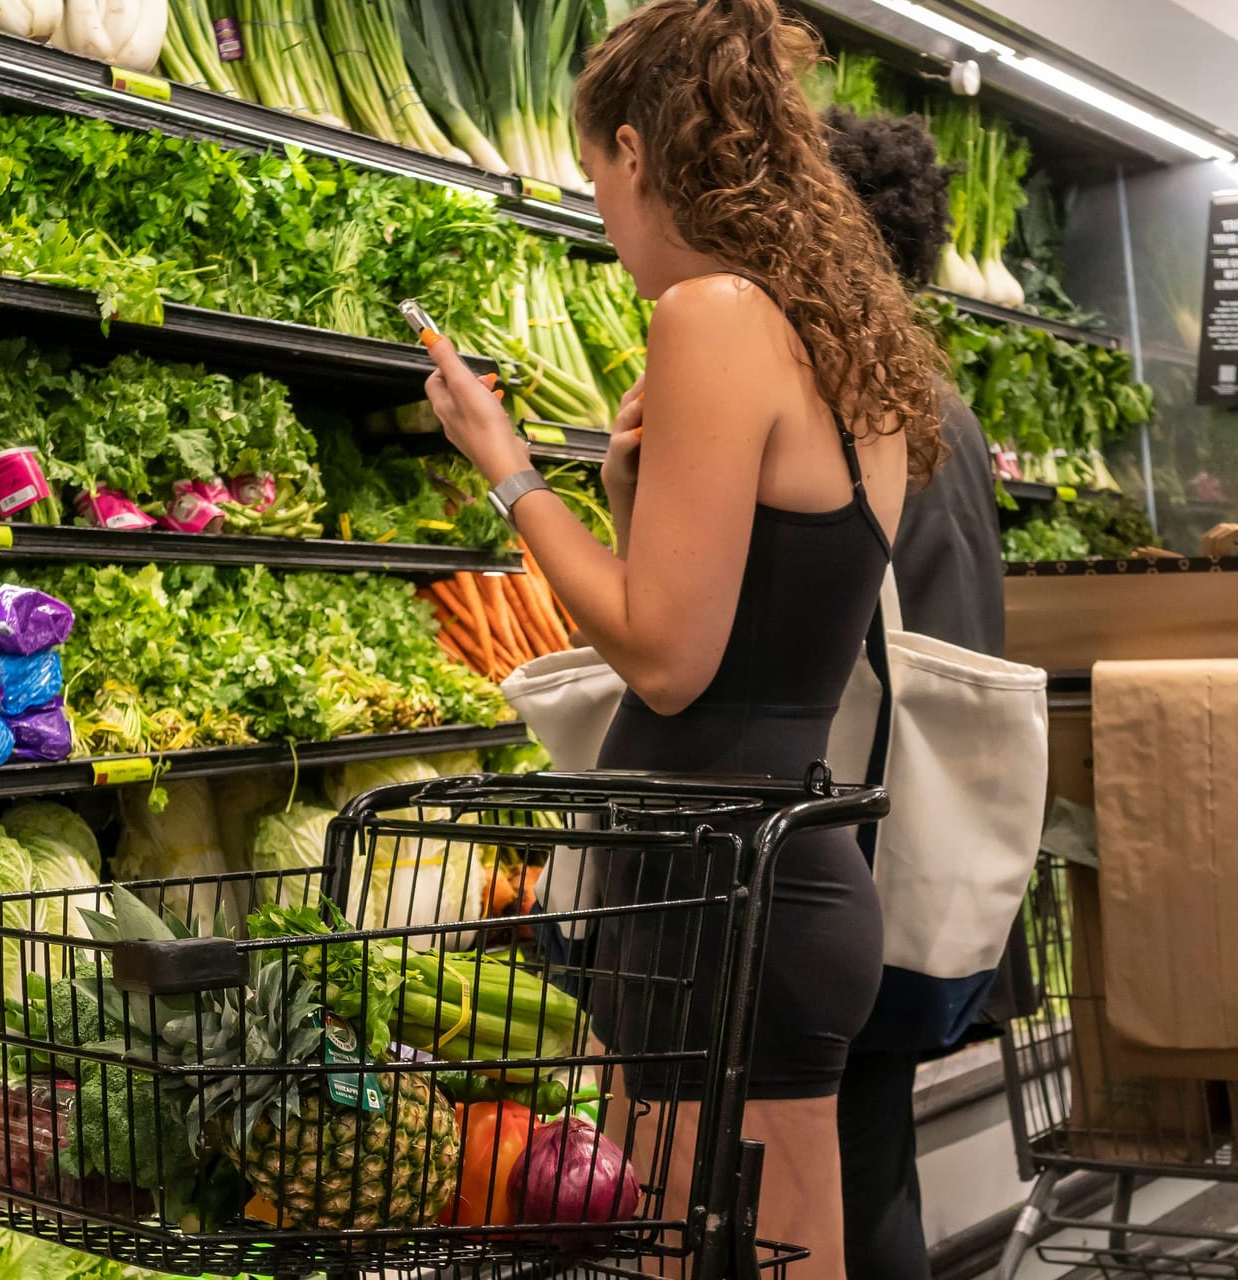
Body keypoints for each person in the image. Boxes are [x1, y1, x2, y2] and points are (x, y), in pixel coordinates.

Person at [419, 1, 946, 1273]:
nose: (598, 207)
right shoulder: (837, 335)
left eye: (594, 172)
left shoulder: (711, 313)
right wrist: (625, 502)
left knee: (682, 1255)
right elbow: (772, 615)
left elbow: (668, 659)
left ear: (639, 151)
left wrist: (506, 468)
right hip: (793, 873)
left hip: (712, 895)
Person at [822, 106, 1010, 1280]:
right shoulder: (944, 404)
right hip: (921, 836)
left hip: (855, 834)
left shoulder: (855, 405)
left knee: (842, 1167)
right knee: (868, 1158)